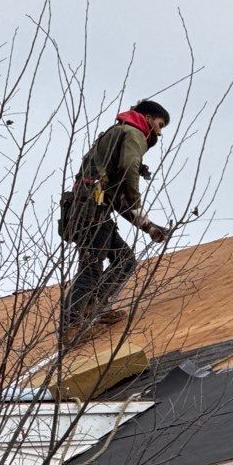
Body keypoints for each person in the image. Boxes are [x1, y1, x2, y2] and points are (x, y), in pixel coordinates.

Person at [58, 99, 172, 336]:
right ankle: (70, 326)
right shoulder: (134, 133)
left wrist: (147, 226)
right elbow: (130, 171)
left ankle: (95, 307)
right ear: (148, 119)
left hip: (92, 208)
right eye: (160, 125)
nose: (159, 133)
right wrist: (139, 208)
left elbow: (116, 197)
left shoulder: (117, 133)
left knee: (123, 259)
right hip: (92, 210)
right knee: (91, 267)